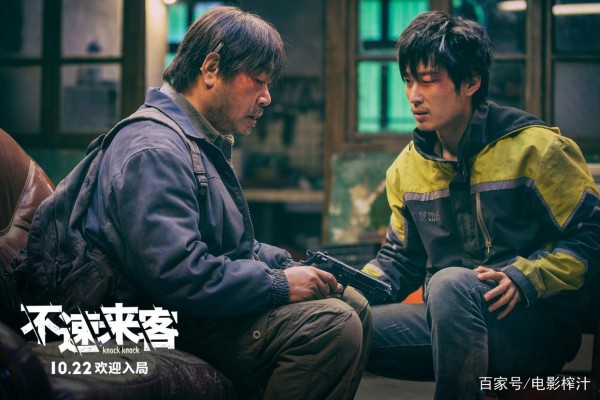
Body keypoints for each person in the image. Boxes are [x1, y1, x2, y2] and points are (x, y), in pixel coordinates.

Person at [81, 6, 370, 399]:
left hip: (188, 310)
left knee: (353, 304)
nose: (267, 98)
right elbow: (177, 274)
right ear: (211, 68)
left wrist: (288, 265)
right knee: (331, 326)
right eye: (259, 81)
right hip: (150, 322)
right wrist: (278, 284)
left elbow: (231, 246)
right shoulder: (154, 148)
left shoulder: (198, 141)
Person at [362, 10, 600, 400]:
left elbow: (592, 237)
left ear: (472, 81)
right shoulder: (407, 168)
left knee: (449, 282)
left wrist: (527, 277)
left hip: (533, 330)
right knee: (339, 325)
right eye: (408, 81)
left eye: (429, 80)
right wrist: (347, 290)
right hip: (446, 320)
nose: (414, 96)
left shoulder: (536, 149)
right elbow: (400, 260)